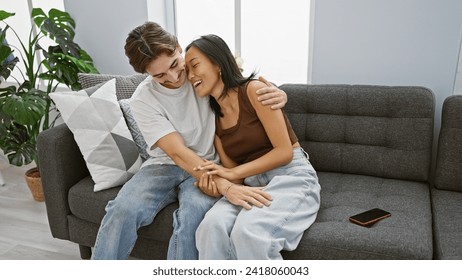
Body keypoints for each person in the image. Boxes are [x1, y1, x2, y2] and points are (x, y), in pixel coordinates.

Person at [91, 22, 287, 260]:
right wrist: (225, 185)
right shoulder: (142, 99)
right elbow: (177, 153)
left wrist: (279, 94)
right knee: (123, 209)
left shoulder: (203, 75)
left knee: (193, 217)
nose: (173, 77)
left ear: (178, 46)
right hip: (164, 166)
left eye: (174, 64)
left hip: (209, 164)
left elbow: (242, 91)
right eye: (160, 75)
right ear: (146, 74)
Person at [185, 34, 321, 260]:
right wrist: (217, 186)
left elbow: (284, 152)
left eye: (195, 65)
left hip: (290, 177)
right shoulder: (214, 120)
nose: (190, 76)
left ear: (218, 63)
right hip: (251, 185)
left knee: (248, 232)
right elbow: (235, 180)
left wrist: (232, 173)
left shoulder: (255, 90)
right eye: (187, 70)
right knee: (211, 226)